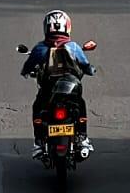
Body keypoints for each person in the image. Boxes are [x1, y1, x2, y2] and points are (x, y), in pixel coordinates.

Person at [20, 10, 95, 158]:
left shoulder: (40, 48)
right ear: (67, 27)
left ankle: (39, 142)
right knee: (80, 104)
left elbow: (28, 66)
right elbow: (86, 65)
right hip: (71, 89)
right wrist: (90, 70)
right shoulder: (73, 47)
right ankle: (83, 137)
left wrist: (25, 72)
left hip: (48, 90)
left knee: (37, 107)